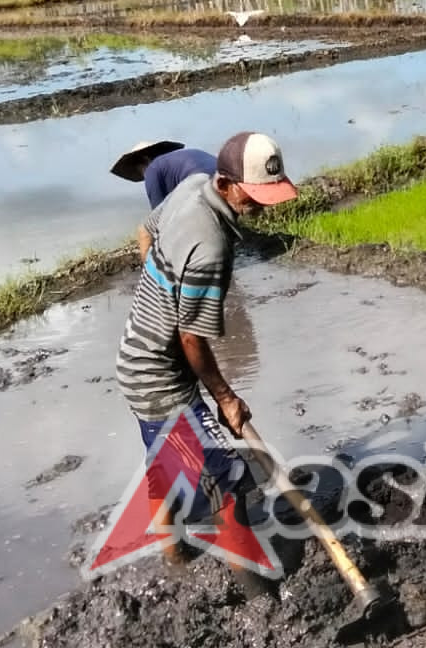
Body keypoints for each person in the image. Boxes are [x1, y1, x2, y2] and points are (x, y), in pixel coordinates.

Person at [114, 130, 300, 558]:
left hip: (137, 357)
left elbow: (145, 230)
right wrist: (226, 396)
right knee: (225, 482)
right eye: (253, 195)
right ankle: (257, 592)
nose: (258, 206)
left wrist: (161, 290)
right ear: (226, 183)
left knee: (165, 468)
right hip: (160, 379)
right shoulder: (211, 244)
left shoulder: (191, 188)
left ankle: (173, 556)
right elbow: (190, 336)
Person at [110, 139, 219, 261]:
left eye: (140, 171)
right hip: (224, 178)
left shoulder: (152, 169)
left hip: (201, 183)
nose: (145, 177)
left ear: (146, 159)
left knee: (148, 229)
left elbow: (160, 219)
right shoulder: (179, 160)